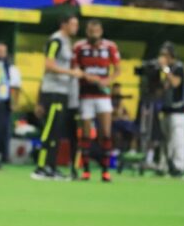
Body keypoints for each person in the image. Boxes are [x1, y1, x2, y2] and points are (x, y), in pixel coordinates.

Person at [32, 15, 85, 180]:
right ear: (64, 24)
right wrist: (72, 73)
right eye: (73, 24)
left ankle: (51, 167)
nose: (76, 27)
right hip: (53, 91)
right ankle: (41, 167)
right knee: (49, 130)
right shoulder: (56, 41)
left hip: (63, 92)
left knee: (57, 132)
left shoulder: (67, 42)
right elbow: (48, 65)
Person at [72, 19, 121, 182]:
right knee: (86, 134)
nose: (94, 34)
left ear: (101, 31)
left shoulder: (110, 46)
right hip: (85, 95)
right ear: (87, 32)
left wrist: (108, 80)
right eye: (91, 31)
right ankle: (86, 172)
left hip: (103, 95)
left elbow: (118, 69)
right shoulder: (79, 47)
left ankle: (105, 172)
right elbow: (74, 67)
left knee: (106, 134)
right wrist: (86, 76)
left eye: (96, 31)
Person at [156, 42, 184, 179]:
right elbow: (164, 88)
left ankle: (179, 168)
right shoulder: (168, 69)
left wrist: (165, 69)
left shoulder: (178, 67)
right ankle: (164, 167)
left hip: (178, 111)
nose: (162, 57)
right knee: (165, 141)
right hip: (167, 110)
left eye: (164, 55)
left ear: (170, 55)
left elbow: (175, 83)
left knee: (178, 141)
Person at [0, 42, 21, 162]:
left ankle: (3, 155)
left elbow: (16, 87)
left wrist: (14, 103)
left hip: (5, 103)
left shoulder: (11, 68)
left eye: (3, 51)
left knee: (4, 129)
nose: (1, 54)